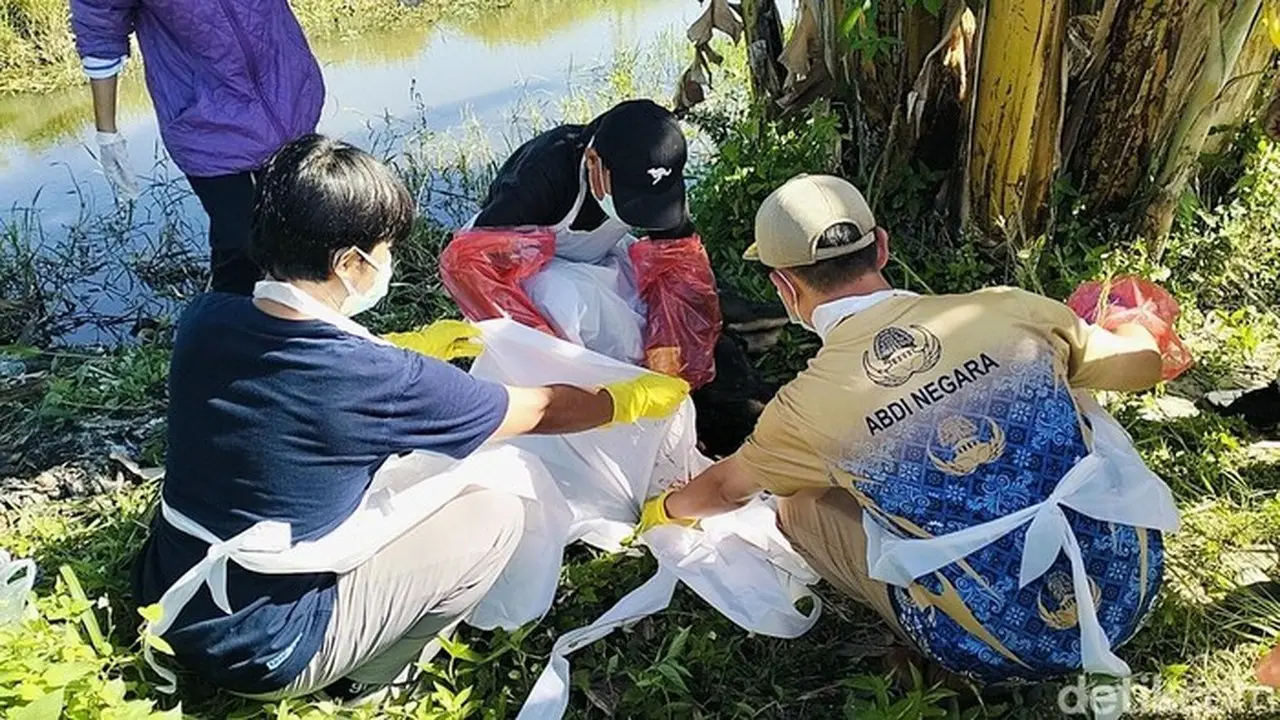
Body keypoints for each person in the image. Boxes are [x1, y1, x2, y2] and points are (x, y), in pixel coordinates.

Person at [130, 134, 690, 703]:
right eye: (385, 248)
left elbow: (300, 373)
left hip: (169, 590)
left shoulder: (206, 318)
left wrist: (414, 345)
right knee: (498, 509)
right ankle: (370, 679)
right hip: (271, 646)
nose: (388, 261)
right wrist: (624, 398)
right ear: (350, 263)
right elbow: (542, 409)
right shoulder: (381, 379)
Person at [636, 174, 1180, 684]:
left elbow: (727, 490)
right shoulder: (1008, 309)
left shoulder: (803, 409)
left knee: (797, 504)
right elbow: (1142, 366)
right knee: (1063, 373)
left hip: (998, 646)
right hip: (1128, 587)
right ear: (883, 247)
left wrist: (661, 512)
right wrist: (1127, 327)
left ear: (784, 286)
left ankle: (937, 634)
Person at [451, 98, 721, 387]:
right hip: (522, 270)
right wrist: (543, 350)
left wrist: (671, 355)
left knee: (640, 322)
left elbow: (679, 265)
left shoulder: (656, 172)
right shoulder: (545, 173)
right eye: (631, 198)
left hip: (598, 257)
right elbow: (475, 267)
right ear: (593, 161)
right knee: (564, 309)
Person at [70, 0, 324, 295]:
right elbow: (100, 26)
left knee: (298, 225)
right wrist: (107, 132)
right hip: (205, 119)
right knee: (239, 242)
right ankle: (228, 327)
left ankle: (305, 326)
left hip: (289, 97)